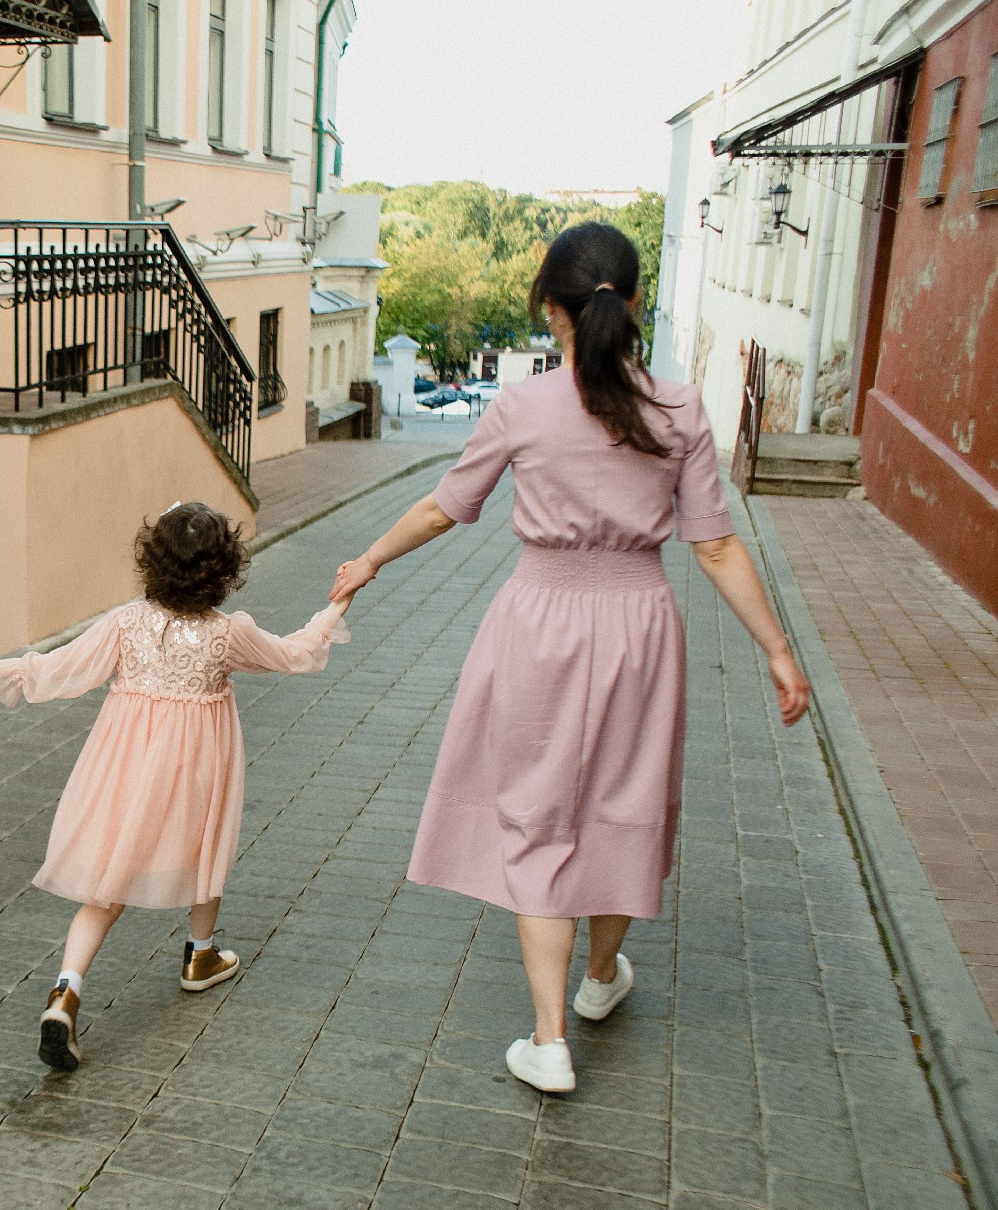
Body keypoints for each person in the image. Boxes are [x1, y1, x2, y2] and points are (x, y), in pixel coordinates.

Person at [329, 222, 811, 1093]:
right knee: (626, 803)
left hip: (539, 625)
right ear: (631, 304)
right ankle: (599, 981)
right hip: (640, 627)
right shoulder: (681, 409)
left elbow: (447, 508)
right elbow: (715, 547)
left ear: (549, 308)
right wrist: (779, 653)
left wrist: (366, 562)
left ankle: (548, 1040)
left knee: (538, 814)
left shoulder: (524, 405)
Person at [0, 503, 350, 1071]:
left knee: (108, 881)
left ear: (153, 562)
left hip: (124, 768)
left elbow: (59, 667)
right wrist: (336, 607)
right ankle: (200, 956)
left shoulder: (125, 623)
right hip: (198, 767)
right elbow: (293, 654)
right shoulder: (227, 634)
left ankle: (65, 992)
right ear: (223, 569)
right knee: (206, 842)